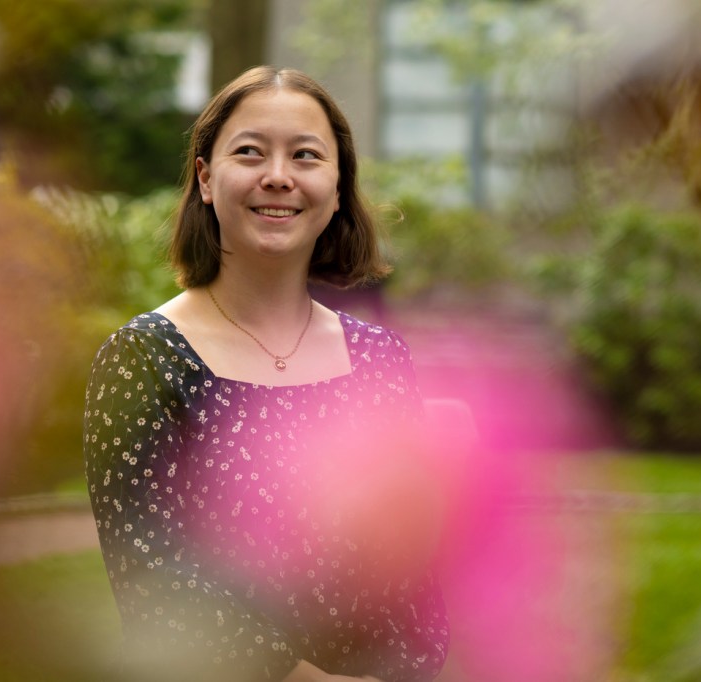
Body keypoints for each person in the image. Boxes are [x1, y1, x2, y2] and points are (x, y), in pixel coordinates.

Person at [83, 65, 448, 682]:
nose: (277, 177)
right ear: (205, 178)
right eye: (250, 152)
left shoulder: (383, 361)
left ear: (336, 188)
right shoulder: (141, 360)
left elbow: (415, 565)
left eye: (305, 156)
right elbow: (154, 578)